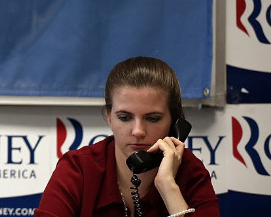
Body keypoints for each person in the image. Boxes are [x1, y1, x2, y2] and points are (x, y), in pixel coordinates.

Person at [35, 56, 219, 216]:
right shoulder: (79, 168)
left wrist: (169, 188)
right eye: (124, 117)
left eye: (153, 118)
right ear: (109, 117)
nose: (138, 131)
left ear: (175, 122)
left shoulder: (191, 172)